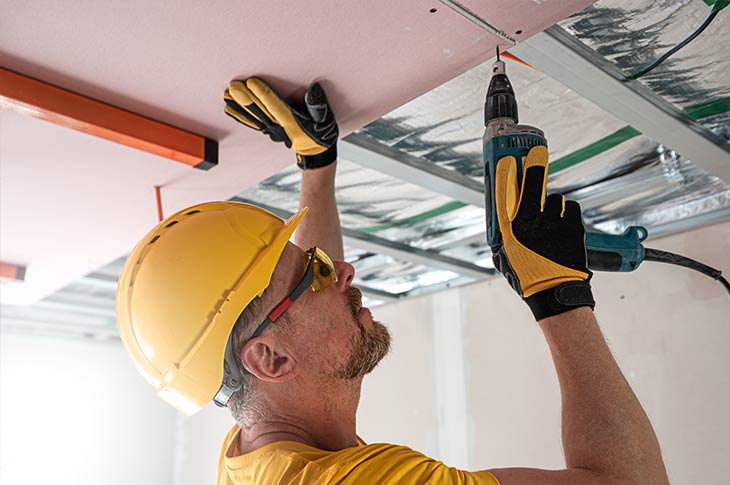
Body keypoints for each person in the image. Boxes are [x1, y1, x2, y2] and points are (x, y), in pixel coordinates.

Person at [116, 78, 669, 484]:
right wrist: (557, 294)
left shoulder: (255, 446)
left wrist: (317, 166)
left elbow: (301, 317)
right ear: (271, 360)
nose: (344, 271)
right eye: (317, 275)